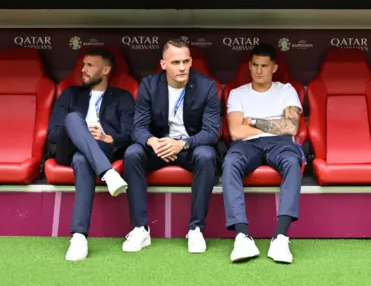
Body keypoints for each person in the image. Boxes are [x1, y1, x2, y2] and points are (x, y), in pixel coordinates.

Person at [122, 38, 219, 254]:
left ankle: (196, 229)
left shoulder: (207, 86)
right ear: (163, 64)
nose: (182, 67)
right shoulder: (149, 85)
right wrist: (153, 142)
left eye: (186, 61)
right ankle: (140, 228)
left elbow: (211, 133)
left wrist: (182, 144)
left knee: (206, 156)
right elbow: (137, 128)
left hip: (190, 148)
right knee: (133, 153)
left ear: (192, 61)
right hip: (159, 147)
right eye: (176, 63)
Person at [46, 48, 133, 261]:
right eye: (83, 64)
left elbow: (129, 134)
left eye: (89, 65)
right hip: (67, 148)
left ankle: (79, 236)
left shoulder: (122, 97)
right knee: (74, 118)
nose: (83, 69)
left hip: (101, 149)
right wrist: (81, 131)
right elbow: (53, 133)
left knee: (82, 159)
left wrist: (108, 138)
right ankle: (108, 173)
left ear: (105, 70)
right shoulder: (70, 94)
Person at [223, 44, 304, 264]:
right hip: (246, 145)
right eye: (255, 65)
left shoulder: (286, 90)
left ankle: (280, 236)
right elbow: (236, 131)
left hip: (280, 143)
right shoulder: (238, 93)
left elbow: (290, 128)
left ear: (274, 67)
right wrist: (273, 123)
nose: (259, 71)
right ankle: (242, 235)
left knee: (291, 162)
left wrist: (254, 120)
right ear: (249, 66)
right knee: (230, 162)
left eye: (265, 66)